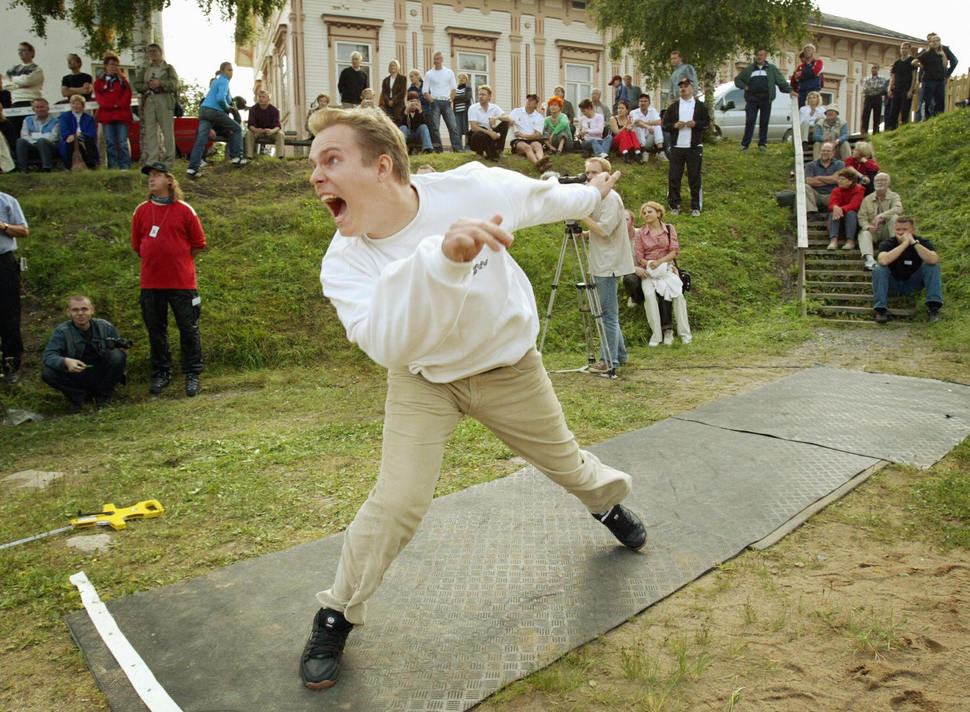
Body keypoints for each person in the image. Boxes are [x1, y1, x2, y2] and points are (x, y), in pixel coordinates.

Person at [300, 107, 646, 690]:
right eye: (313, 165)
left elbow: (542, 200)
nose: (315, 176)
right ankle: (337, 609)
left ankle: (606, 504)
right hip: (424, 380)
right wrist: (442, 260)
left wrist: (590, 194)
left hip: (510, 369)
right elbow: (388, 344)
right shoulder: (344, 265)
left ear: (382, 166)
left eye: (330, 160)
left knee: (567, 464)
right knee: (398, 502)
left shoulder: (472, 187)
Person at [132, 162, 207, 397]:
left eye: (156, 175)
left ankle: (192, 373)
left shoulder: (185, 209)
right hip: (151, 283)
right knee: (156, 329)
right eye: (149, 176)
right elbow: (137, 245)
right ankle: (161, 372)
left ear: (169, 180)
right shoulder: (141, 210)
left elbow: (198, 243)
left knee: (188, 328)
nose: (151, 180)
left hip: (182, 282)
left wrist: (180, 261)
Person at [582, 157, 634, 373]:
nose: (590, 177)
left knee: (607, 314)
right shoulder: (598, 198)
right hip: (600, 260)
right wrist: (584, 234)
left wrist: (580, 215)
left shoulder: (611, 199)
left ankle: (608, 360)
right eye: (587, 173)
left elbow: (604, 230)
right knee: (608, 311)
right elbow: (598, 229)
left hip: (608, 263)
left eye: (595, 173)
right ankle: (620, 354)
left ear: (606, 176)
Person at [41, 296, 128, 411]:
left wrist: (123, 352)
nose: (80, 313)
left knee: (117, 356)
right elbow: (48, 356)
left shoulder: (105, 326)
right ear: (68, 312)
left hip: (101, 372)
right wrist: (65, 361)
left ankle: (104, 396)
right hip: (77, 374)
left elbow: (119, 349)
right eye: (75, 310)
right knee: (48, 373)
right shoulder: (61, 331)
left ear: (92, 310)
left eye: (84, 309)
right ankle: (79, 398)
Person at [633, 201, 691, 346]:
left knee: (678, 296)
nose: (646, 214)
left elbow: (674, 251)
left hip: (666, 268)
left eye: (649, 211)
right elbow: (639, 256)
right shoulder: (640, 233)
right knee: (649, 295)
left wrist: (661, 262)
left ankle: (685, 334)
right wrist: (650, 264)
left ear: (658, 213)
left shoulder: (670, 229)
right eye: (644, 213)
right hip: (650, 271)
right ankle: (656, 335)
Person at [872, 216, 942, 324]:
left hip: (913, 282)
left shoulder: (922, 242)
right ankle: (881, 310)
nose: (900, 233)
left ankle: (934, 308)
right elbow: (882, 261)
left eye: (905, 230)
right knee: (879, 269)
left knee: (932, 267)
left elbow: (933, 259)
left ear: (913, 230)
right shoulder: (889, 243)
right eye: (898, 229)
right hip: (892, 283)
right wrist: (904, 244)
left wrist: (914, 243)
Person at [186, 62, 248, 178]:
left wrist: (232, 105)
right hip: (213, 111)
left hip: (203, 110)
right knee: (236, 128)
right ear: (223, 71)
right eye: (229, 70)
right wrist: (226, 107)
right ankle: (237, 157)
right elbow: (220, 98)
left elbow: (227, 98)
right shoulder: (224, 80)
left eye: (232, 70)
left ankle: (192, 169)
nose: (231, 72)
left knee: (201, 139)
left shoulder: (217, 82)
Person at [662, 77, 709, 217]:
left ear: (692, 88)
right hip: (677, 146)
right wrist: (674, 126)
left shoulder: (700, 106)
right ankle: (674, 205)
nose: (683, 88)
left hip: (694, 147)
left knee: (694, 177)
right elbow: (665, 125)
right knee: (674, 177)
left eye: (686, 86)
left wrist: (696, 124)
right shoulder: (674, 106)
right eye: (681, 86)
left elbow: (706, 123)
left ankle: (696, 206)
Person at [734, 49, 795, 152]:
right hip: (752, 99)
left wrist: (790, 90)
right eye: (758, 55)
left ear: (765, 56)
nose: (759, 57)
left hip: (766, 99)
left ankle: (762, 144)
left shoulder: (772, 69)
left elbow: (781, 82)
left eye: (761, 55)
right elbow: (738, 80)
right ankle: (745, 145)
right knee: (750, 121)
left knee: (764, 122)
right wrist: (745, 86)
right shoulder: (750, 69)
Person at [134, 44, 179, 171]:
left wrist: (160, 83)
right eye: (149, 52)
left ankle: (169, 161)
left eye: (154, 51)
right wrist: (147, 86)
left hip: (164, 99)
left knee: (167, 132)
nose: (152, 54)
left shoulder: (168, 68)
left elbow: (175, 84)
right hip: (150, 100)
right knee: (150, 132)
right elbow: (137, 84)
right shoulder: (146, 69)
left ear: (160, 52)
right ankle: (152, 161)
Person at [0, 192, 28, 384]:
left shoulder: (7, 201)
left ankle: (11, 365)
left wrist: (3, 226)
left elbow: (24, 230)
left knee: (9, 313)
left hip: (3, 261)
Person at [94, 53, 133, 170]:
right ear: (106, 65)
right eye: (111, 64)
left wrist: (117, 104)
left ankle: (125, 166)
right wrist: (111, 105)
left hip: (122, 116)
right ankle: (112, 166)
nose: (114, 67)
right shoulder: (99, 83)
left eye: (116, 65)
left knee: (122, 142)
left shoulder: (123, 81)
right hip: (107, 117)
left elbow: (127, 96)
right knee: (110, 142)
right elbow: (100, 98)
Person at [858, 172, 902, 272]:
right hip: (874, 230)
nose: (879, 183)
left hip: (887, 229)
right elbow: (861, 217)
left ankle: (895, 252)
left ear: (889, 183)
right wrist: (868, 227)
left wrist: (881, 216)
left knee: (895, 217)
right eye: (877, 181)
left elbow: (898, 208)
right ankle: (870, 260)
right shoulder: (867, 199)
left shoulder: (894, 196)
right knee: (864, 233)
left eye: (883, 180)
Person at [423, 51, 462, 153]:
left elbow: (454, 88)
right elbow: (425, 91)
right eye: (434, 59)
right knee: (435, 127)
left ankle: (457, 149)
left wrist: (451, 99)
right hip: (435, 102)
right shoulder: (429, 74)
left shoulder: (449, 72)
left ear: (442, 60)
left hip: (446, 102)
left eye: (438, 59)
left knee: (453, 126)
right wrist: (431, 100)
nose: (436, 61)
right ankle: (438, 149)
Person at [5, 42, 45, 138]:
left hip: (30, 102)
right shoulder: (13, 69)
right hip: (15, 102)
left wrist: (14, 80)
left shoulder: (37, 69)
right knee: (13, 132)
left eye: (24, 50)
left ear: (31, 52)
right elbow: (6, 84)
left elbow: (28, 80)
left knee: (31, 132)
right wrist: (19, 83)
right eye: (19, 51)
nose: (21, 53)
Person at [917, 34, 958, 119]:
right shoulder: (926, 51)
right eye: (930, 40)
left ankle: (937, 117)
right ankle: (925, 119)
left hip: (939, 78)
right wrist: (920, 79)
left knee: (939, 100)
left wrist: (947, 75)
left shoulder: (944, 49)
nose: (933, 42)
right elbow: (917, 62)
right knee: (926, 101)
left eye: (936, 40)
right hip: (927, 79)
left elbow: (954, 61)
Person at [15, 98, 59, 173]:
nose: (39, 109)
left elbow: (53, 137)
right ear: (33, 109)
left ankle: (46, 168)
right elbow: (24, 135)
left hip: (49, 147)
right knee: (20, 141)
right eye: (37, 107)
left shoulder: (56, 121)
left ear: (47, 108)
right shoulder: (27, 120)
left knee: (41, 141)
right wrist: (38, 140)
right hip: (32, 146)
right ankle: (22, 169)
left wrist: (33, 135)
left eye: (42, 107)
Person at [466, 85, 509, 161]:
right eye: (479, 94)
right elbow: (474, 127)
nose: (480, 97)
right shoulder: (473, 108)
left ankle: (498, 150)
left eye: (483, 95)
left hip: (489, 136)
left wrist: (496, 118)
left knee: (505, 124)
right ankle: (481, 153)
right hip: (476, 137)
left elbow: (508, 118)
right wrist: (490, 133)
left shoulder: (494, 107)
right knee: (480, 132)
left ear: (489, 96)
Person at [826, 167, 865, 251]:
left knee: (851, 213)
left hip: (852, 218)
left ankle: (850, 241)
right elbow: (831, 204)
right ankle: (833, 240)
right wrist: (835, 207)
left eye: (842, 179)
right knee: (833, 212)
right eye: (839, 179)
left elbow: (855, 205)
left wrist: (839, 209)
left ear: (850, 181)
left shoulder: (859, 189)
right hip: (839, 217)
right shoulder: (836, 190)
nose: (839, 181)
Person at [803, 142, 844, 220]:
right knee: (805, 187)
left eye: (828, 151)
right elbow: (809, 181)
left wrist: (819, 177)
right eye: (823, 150)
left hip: (832, 195)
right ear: (820, 152)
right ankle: (813, 213)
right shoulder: (811, 165)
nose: (825, 153)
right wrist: (830, 179)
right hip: (816, 195)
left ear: (833, 153)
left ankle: (831, 214)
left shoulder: (839, 164)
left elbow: (837, 179)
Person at [57, 94, 99, 170]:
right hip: (70, 138)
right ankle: (70, 166)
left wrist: (79, 135)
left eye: (78, 104)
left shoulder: (89, 118)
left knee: (88, 141)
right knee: (70, 142)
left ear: (83, 106)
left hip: (84, 138)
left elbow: (92, 133)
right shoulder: (65, 116)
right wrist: (72, 136)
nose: (75, 106)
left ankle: (90, 165)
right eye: (73, 103)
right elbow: (64, 131)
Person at [509, 93, 548, 171]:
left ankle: (541, 162)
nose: (529, 101)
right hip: (518, 140)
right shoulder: (516, 111)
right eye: (528, 99)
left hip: (531, 139)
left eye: (532, 100)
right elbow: (508, 121)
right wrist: (509, 122)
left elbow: (538, 135)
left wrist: (524, 135)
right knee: (528, 148)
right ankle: (538, 164)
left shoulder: (539, 117)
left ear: (536, 104)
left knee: (538, 146)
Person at [887, 42, 918, 130]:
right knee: (894, 110)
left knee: (905, 110)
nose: (903, 50)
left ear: (909, 49)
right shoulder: (897, 62)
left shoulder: (912, 61)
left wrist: (911, 90)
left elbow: (914, 77)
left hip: (906, 88)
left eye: (905, 48)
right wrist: (890, 88)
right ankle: (892, 129)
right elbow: (893, 77)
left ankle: (904, 128)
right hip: (897, 89)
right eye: (902, 48)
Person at [245, 89, 285, 159]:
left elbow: (278, 126)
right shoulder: (253, 109)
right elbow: (250, 125)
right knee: (248, 133)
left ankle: (280, 157)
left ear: (268, 99)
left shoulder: (274, 110)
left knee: (280, 134)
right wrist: (258, 130)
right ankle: (249, 157)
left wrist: (272, 131)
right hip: (257, 132)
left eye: (263, 97)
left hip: (270, 132)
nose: (260, 99)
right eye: (259, 97)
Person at [629, 94, 665, 160]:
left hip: (649, 139)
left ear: (649, 103)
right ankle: (643, 152)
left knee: (657, 127)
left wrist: (646, 124)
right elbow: (637, 122)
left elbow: (659, 122)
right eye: (641, 101)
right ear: (638, 103)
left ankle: (660, 151)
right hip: (637, 141)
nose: (643, 103)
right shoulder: (633, 112)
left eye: (645, 101)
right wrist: (648, 126)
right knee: (639, 127)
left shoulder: (653, 111)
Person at [860, 63, 889, 134]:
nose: (873, 69)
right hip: (868, 97)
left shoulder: (882, 79)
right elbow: (865, 89)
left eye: (875, 68)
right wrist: (876, 88)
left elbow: (883, 88)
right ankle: (864, 130)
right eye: (872, 68)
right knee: (865, 114)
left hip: (877, 98)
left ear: (878, 69)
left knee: (877, 115)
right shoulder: (867, 79)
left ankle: (876, 130)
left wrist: (873, 88)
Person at [793, 43, 823, 107]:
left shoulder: (818, 62)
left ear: (813, 52)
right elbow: (795, 78)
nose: (807, 52)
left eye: (809, 50)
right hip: (802, 93)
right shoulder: (800, 66)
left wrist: (802, 74)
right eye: (806, 51)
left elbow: (815, 71)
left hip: (813, 92)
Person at [379, 60, 406, 126]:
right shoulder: (386, 80)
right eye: (391, 65)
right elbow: (384, 92)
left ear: (397, 67)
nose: (392, 67)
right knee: (389, 122)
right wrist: (388, 101)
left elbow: (402, 92)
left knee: (397, 122)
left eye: (394, 65)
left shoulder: (402, 78)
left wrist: (393, 101)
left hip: (398, 104)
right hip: (387, 103)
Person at [453, 73, 472, 150]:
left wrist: (457, 98)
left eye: (464, 78)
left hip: (465, 112)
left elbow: (467, 98)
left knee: (466, 129)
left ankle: (467, 147)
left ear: (466, 80)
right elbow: (453, 98)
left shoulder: (468, 88)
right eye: (460, 78)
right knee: (458, 130)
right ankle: (459, 148)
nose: (462, 79)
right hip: (457, 112)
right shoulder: (455, 88)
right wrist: (459, 98)